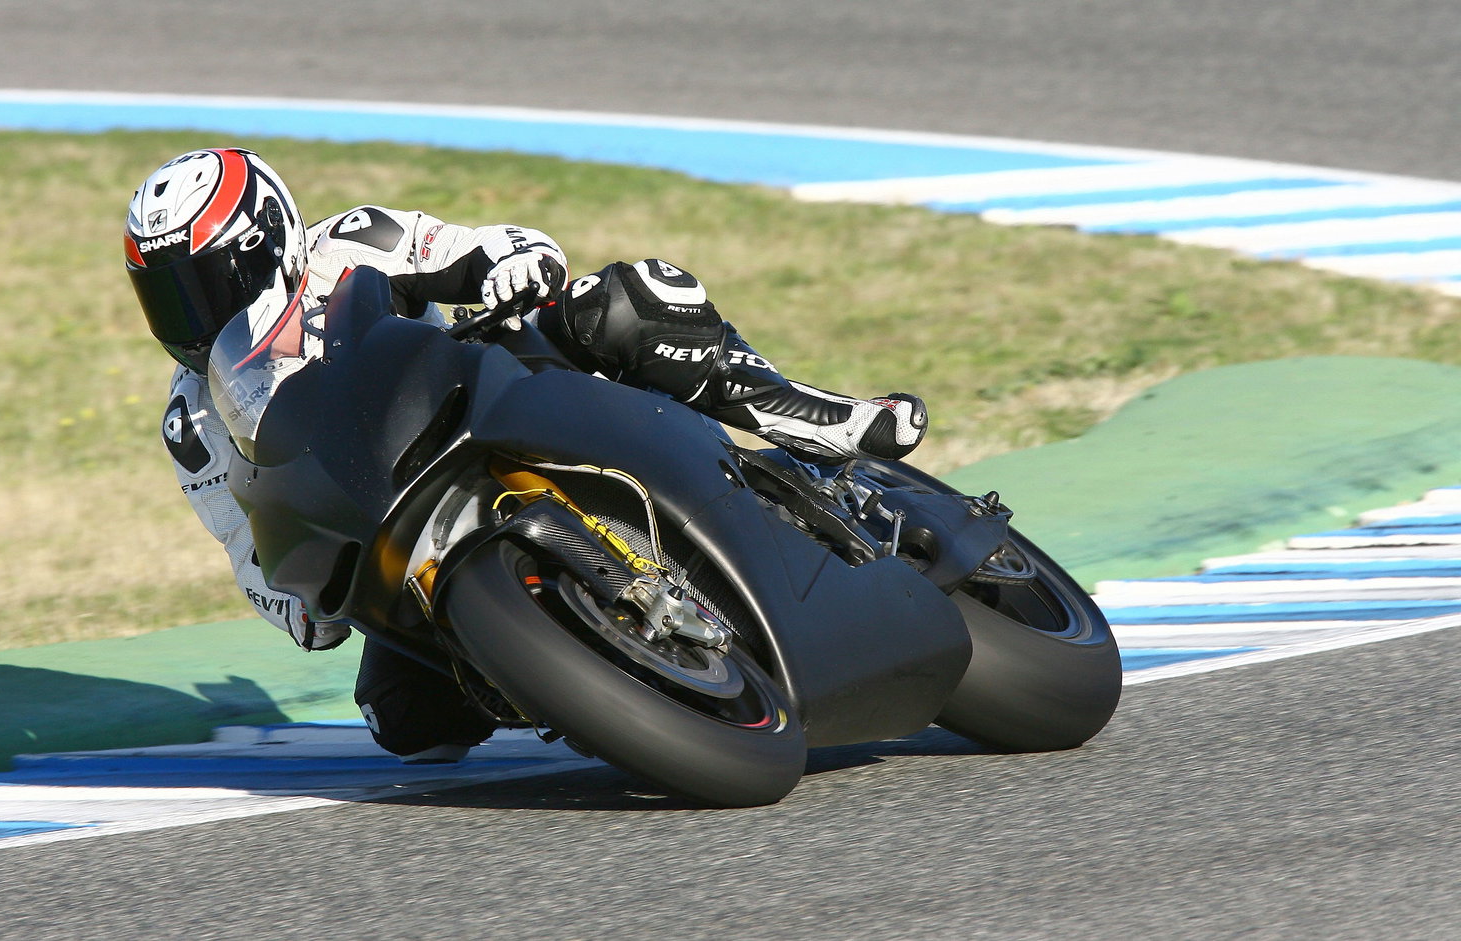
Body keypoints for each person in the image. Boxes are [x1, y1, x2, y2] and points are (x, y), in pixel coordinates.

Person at [125, 147, 928, 761]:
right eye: (170, 296)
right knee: (407, 725)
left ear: (271, 237)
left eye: (209, 281)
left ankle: (813, 416)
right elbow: (246, 542)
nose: (196, 314)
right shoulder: (190, 419)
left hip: (487, 394)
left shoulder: (353, 241)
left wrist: (515, 263)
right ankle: (584, 664)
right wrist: (299, 603)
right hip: (390, 514)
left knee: (616, 304)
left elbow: (487, 246)